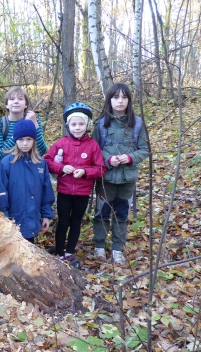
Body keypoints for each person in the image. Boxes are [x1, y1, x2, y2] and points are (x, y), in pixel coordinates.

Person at [91, 83, 149, 265]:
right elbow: (94, 150)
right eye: (116, 97)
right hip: (105, 178)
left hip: (127, 179)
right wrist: (108, 160)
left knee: (122, 214)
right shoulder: (100, 124)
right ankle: (99, 246)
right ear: (109, 100)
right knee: (102, 213)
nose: (120, 101)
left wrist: (129, 157)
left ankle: (117, 249)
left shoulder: (138, 124)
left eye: (124, 97)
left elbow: (145, 149)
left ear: (129, 101)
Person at [45, 103, 106, 269]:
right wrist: (62, 168)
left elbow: (101, 168)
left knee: (76, 222)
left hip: (82, 193)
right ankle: (59, 252)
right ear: (68, 126)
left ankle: (69, 252)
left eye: (81, 124)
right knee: (63, 221)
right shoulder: (61, 143)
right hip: (64, 191)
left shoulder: (92, 145)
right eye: (73, 124)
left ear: (87, 125)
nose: (77, 128)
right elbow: (47, 161)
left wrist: (85, 172)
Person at [0, 119, 55, 244]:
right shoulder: (7, 162)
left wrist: (46, 215)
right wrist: (4, 216)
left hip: (33, 218)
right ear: (15, 140)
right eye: (21, 139)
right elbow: (2, 191)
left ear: (34, 140)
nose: (25, 143)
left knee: (28, 254)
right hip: (13, 219)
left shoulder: (40, 163)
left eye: (29, 139)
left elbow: (46, 191)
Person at [0, 87, 48, 167]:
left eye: (20, 99)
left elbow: (41, 151)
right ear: (7, 105)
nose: (16, 101)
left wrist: (34, 124)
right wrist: (18, 134)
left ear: (26, 105)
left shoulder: (34, 121)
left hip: (28, 171)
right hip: (7, 175)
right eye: (12, 99)